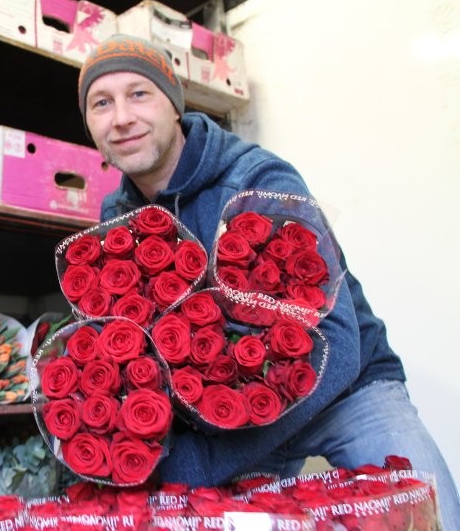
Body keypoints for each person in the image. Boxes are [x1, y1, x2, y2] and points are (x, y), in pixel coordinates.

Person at [77, 33, 460, 526]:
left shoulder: (256, 178)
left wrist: (203, 463)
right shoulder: (117, 216)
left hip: (346, 390)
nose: (121, 118)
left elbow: (339, 345)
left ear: (174, 105)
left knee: (432, 513)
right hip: (231, 415)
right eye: (101, 103)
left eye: (139, 94)